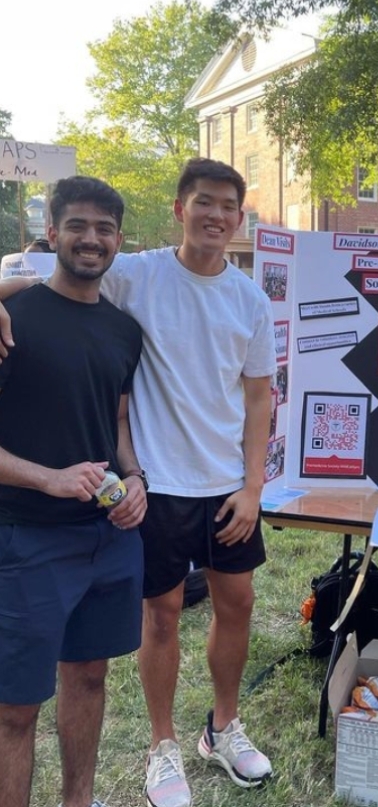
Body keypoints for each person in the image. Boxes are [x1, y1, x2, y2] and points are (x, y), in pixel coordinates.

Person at [98, 157, 276, 807]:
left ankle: (222, 727)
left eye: (229, 206)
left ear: (238, 217)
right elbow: (42, 275)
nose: (217, 216)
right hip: (160, 484)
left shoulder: (249, 298)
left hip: (227, 484)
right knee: (163, 613)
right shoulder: (136, 275)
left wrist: (253, 485)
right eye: (204, 202)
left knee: (238, 605)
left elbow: (260, 398)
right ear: (180, 208)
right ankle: (162, 744)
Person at [0, 176, 146, 807]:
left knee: (88, 678)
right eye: (78, 226)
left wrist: (136, 479)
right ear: (53, 233)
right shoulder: (13, 319)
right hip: (25, 539)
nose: (92, 239)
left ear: (118, 239)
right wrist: (49, 478)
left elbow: (115, 422)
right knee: (15, 710)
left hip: (106, 540)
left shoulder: (122, 331)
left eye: (104, 229)